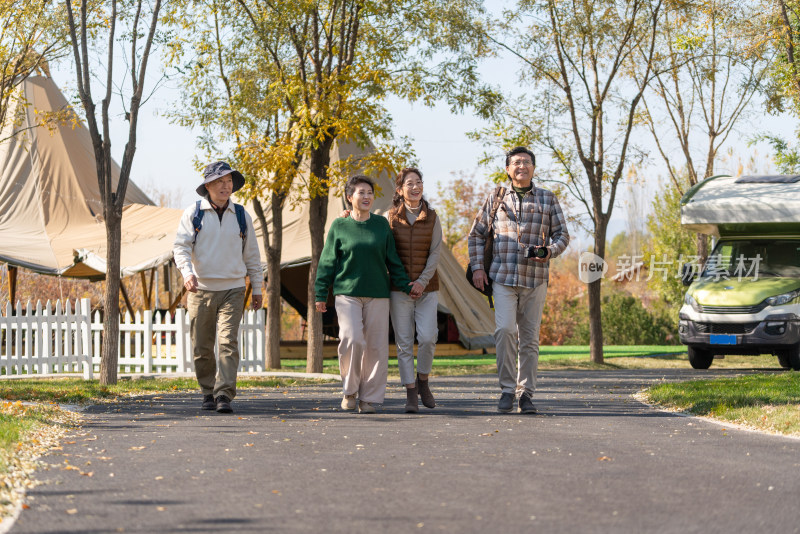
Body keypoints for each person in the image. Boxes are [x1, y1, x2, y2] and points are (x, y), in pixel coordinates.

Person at [468, 147, 569, 414]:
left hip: (535, 278)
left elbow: (562, 236)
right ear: (507, 169)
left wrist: (550, 251)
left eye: (526, 162)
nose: (521, 166)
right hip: (501, 276)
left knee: (529, 339)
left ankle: (526, 394)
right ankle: (506, 390)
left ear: (534, 168)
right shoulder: (496, 197)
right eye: (516, 162)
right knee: (504, 331)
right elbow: (476, 234)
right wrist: (478, 268)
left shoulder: (548, 199)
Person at [315, 175, 413, 414]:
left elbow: (393, 259)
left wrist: (407, 286)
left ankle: (368, 398)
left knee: (376, 347)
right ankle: (349, 390)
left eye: (370, 192)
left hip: (378, 293)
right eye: (361, 192)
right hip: (347, 293)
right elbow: (327, 261)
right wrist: (320, 292)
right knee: (352, 339)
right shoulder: (340, 225)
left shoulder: (381, 225)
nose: (367, 196)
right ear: (350, 198)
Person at [173, 161, 263, 414]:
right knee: (202, 346)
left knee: (227, 343)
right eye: (220, 182)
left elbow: (253, 256)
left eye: (229, 181)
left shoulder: (242, 215)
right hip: (200, 289)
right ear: (208, 186)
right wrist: (187, 273)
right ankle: (207, 391)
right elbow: (180, 247)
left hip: (234, 288)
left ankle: (224, 394)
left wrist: (257, 288)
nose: (226, 186)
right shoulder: (194, 213)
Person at [386, 168, 442, 413]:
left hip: (427, 288)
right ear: (400, 190)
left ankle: (423, 381)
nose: (415, 186)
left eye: (419, 182)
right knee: (404, 343)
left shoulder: (432, 216)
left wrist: (421, 281)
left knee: (428, 338)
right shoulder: (389, 217)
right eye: (410, 183)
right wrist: (347, 214)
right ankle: (410, 392)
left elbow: (435, 253)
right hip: (399, 290)